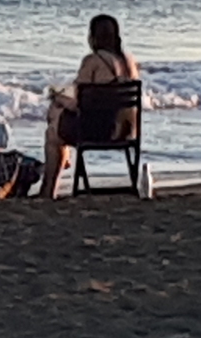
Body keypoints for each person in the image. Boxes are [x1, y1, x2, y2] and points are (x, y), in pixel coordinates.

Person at [41, 14, 140, 199]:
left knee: (53, 130)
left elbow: (78, 101)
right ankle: (63, 161)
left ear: (93, 37)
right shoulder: (129, 61)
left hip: (99, 131)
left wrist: (57, 97)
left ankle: (49, 190)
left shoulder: (93, 61)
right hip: (126, 130)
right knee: (57, 114)